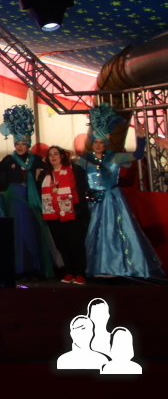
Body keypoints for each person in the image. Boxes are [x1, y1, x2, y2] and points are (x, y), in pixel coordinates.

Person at [76, 104, 163, 278]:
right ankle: (101, 268)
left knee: (117, 232)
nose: (98, 145)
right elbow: (77, 180)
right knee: (97, 235)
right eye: (96, 142)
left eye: (101, 142)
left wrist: (140, 139)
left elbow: (137, 155)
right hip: (94, 201)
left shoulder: (115, 157)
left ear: (106, 143)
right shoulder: (83, 160)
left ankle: (122, 268)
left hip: (112, 200)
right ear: (92, 142)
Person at [0, 105, 53, 278]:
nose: (20, 147)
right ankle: (18, 267)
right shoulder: (8, 160)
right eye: (17, 144)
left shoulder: (35, 159)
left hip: (32, 198)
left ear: (28, 144)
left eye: (23, 143)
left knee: (34, 230)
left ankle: (34, 266)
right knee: (18, 231)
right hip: (15, 199)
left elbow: (50, 170)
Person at [41, 146, 89, 285]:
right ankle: (69, 272)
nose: (53, 157)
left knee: (75, 244)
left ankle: (80, 273)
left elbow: (82, 189)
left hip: (72, 213)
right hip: (53, 215)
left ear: (62, 156)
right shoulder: (45, 174)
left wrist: (79, 208)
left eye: (56, 154)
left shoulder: (73, 170)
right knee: (61, 245)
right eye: (50, 155)